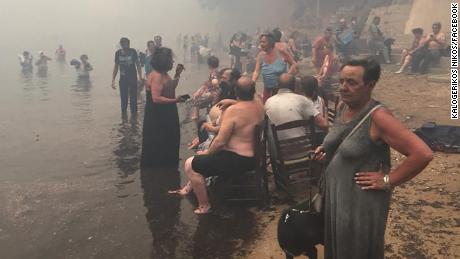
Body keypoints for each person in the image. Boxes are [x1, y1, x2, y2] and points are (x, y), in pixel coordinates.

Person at [314, 59, 433, 259]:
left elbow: (423, 154)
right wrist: (326, 152)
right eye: (341, 81)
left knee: (356, 251)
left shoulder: (378, 117)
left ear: (370, 85)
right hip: (337, 197)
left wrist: (388, 179)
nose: (344, 87)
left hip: (359, 203)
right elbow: (341, 142)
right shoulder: (344, 106)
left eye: (352, 82)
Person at [168, 77, 265, 214]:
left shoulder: (234, 111)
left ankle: (204, 206)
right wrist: (232, 101)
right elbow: (248, 102)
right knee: (201, 157)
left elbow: (220, 141)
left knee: (190, 164)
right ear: (253, 91)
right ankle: (188, 189)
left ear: (235, 91)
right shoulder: (259, 104)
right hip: (254, 157)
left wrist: (207, 153)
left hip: (239, 160)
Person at [140, 47, 187, 167]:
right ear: (164, 61)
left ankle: (168, 164)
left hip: (167, 111)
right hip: (158, 115)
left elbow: (170, 87)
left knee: (169, 138)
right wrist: (176, 100)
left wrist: (177, 74)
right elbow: (156, 98)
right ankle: (159, 169)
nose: (172, 62)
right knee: (159, 140)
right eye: (170, 59)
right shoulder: (157, 76)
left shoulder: (164, 74)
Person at [265, 73, 328, 140]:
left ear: (277, 85)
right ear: (295, 86)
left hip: (276, 148)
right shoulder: (302, 100)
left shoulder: (268, 102)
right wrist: (326, 110)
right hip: (303, 147)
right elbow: (324, 124)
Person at [252, 33, 297, 103]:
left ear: (270, 43)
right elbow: (256, 71)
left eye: (263, 42)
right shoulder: (261, 55)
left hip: (281, 90)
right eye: (260, 42)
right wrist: (252, 82)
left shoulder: (281, 52)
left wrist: (287, 75)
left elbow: (293, 64)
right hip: (267, 89)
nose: (261, 44)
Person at [111, 37, 143, 115]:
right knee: (123, 98)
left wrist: (140, 77)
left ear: (128, 43)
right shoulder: (118, 53)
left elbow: (138, 64)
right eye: (123, 43)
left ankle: (134, 117)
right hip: (123, 79)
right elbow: (116, 66)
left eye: (126, 43)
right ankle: (124, 116)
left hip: (132, 78)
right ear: (121, 44)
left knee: (133, 98)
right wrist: (113, 80)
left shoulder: (133, 51)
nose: (125, 45)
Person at [191, 56, 220, 120]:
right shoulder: (217, 71)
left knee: (196, 98)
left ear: (209, 64)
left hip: (213, 93)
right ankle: (203, 114)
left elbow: (215, 82)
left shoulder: (214, 73)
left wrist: (211, 85)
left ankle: (195, 115)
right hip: (214, 92)